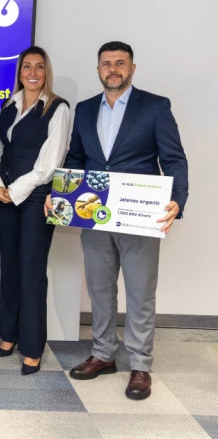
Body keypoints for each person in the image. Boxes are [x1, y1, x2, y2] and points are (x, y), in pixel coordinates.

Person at [51, 41, 188, 399]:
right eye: (106, 63)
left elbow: (174, 159)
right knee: (100, 289)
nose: (112, 69)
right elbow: (76, 158)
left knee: (140, 292)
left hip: (140, 216)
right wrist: (62, 194)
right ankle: (103, 354)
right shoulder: (84, 109)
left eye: (120, 63)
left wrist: (177, 200)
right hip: (95, 215)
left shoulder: (155, 107)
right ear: (98, 69)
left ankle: (140, 364)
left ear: (132, 68)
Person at [0, 46, 71, 375]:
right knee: (9, 267)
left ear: (46, 71)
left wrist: (14, 190)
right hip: (4, 197)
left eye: (39, 66)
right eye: (26, 67)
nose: (32, 72)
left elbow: (49, 164)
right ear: (19, 72)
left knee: (32, 271)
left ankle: (33, 347)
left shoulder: (58, 108)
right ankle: (9, 336)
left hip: (36, 199)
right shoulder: (8, 105)